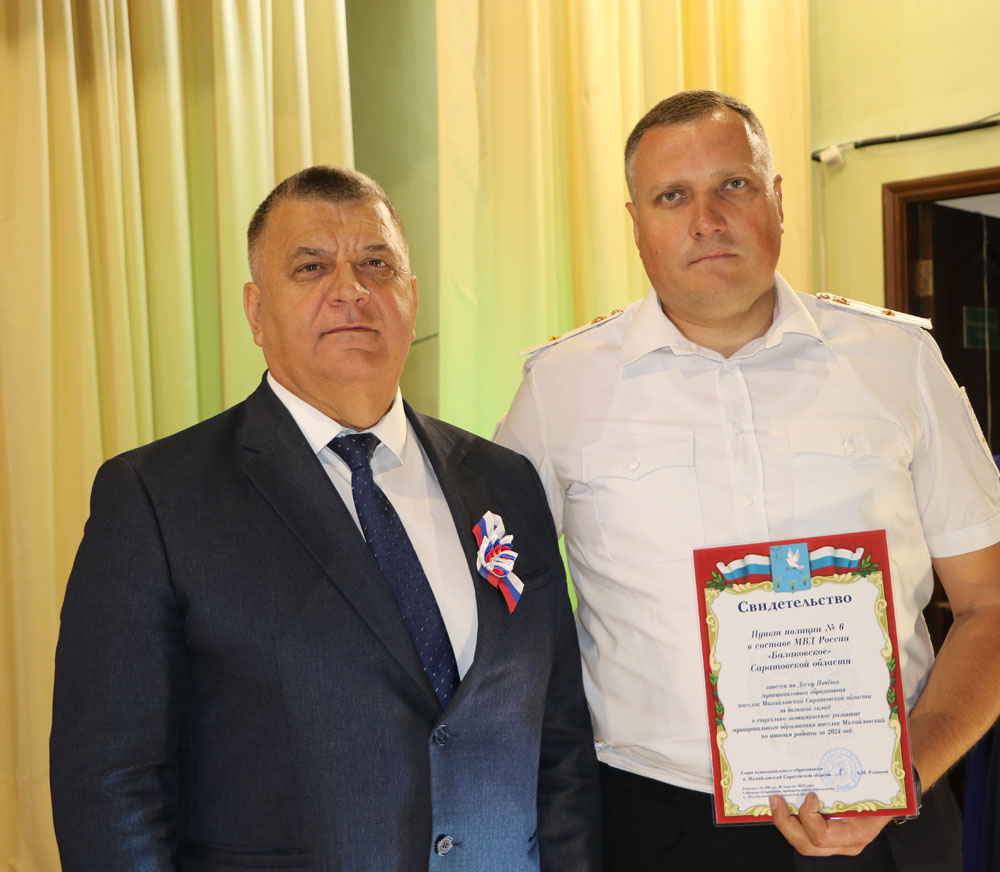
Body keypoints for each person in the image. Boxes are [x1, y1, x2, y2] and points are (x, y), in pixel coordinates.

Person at [496, 89, 1000, 870]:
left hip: (891, 819)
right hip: (656, 826)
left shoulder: (898, 362)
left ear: (778, 199)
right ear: (635, 223)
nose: (707, 219)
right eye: (672, 196)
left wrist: (910, 773)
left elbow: (989, 604)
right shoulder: (560, 388)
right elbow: (499, 611)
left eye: (733, 184)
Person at [50, 165, 601, 872]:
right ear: (256, 312)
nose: (350, 290)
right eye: (311, 267)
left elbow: (559, 745)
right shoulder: (157, 498)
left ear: (411, 297)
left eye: (376, 264)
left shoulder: (505, 482)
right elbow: (111, 784)